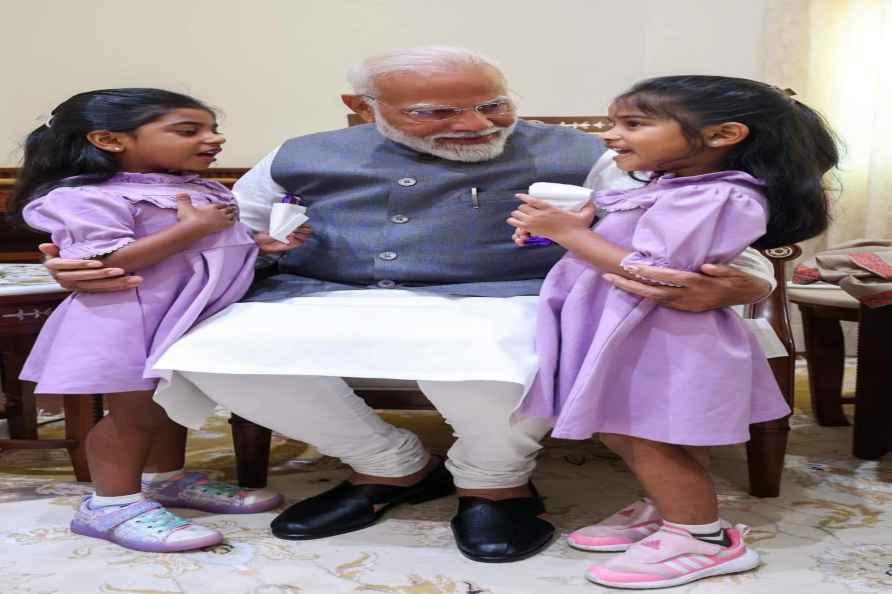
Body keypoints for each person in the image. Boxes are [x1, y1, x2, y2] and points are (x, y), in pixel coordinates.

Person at [40, 48, 778, 563]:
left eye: (493, 103)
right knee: (203, 360)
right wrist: (90, 259)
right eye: (437, 111)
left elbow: (667, 223)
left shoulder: (582, 150)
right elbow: (236, 220)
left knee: (495, 366)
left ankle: (493, 482)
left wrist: (753, 278)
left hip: (502, 295)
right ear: (362, 108)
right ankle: (389, 466)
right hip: (326, 294)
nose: (476, 124)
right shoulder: (302, 150)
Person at [508, 75, 837, 587]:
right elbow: (627, 241)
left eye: (633, 124)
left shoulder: (721, 197)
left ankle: (702, 537)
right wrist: (572, 226)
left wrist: (570, 234)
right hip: (637, 330)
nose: (612, 136)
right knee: (658, 433)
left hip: (662, 335)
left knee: (644, 434)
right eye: (614, 123)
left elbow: (659, 271)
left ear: (724, 134)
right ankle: (670, 508)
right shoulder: (674, 186)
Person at [10, 89, 293, 552]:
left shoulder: (194, 186)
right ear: (108, 139)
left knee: (170, 403)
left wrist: (260, 244)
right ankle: (110, 505)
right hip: (128, 318)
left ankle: (168, 478)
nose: (213, 139)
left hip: (181, 315)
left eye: (212, 128)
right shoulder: (86, 197)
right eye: (189, 130)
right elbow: (107, 261)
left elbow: (211, 247)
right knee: (133, 416)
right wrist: (191, 230)